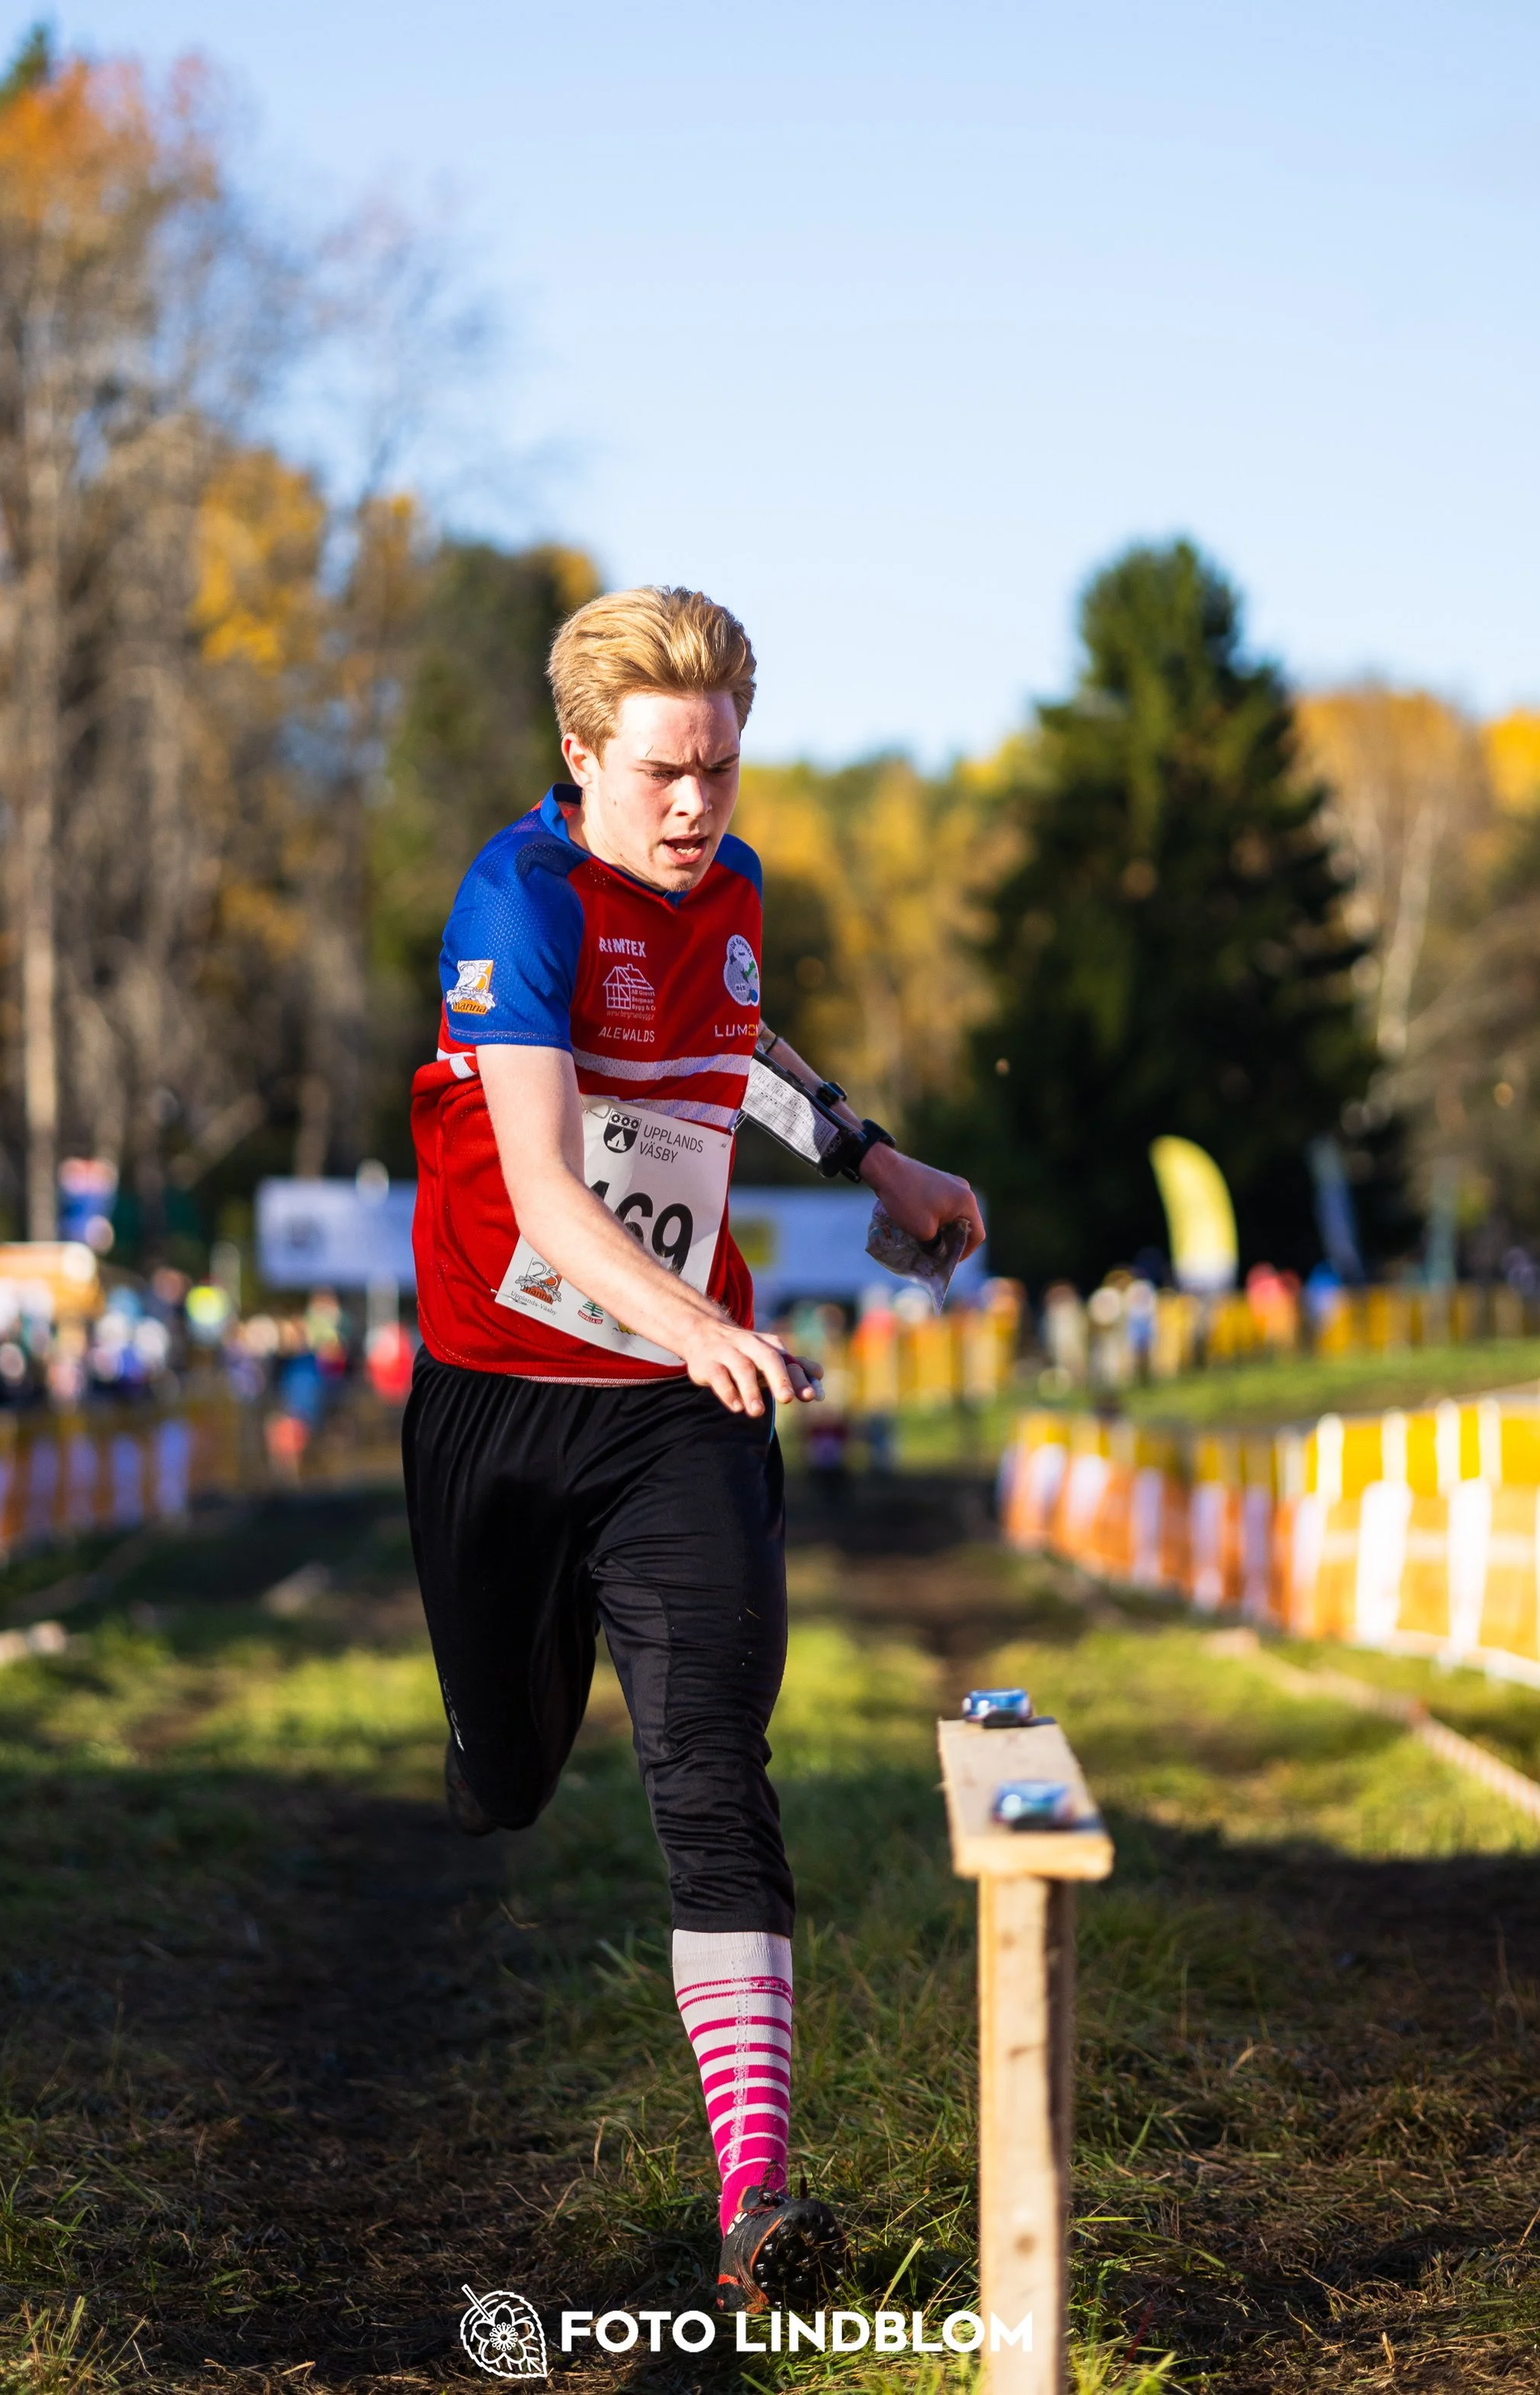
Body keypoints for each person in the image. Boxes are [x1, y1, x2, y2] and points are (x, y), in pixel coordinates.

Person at [403, 586, 983, 2312]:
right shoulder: (518, 899)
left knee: (714, 1767)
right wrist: (692, 1317)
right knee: (508, 1772)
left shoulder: (729, 888)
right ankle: (510, 1709)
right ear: (579, 756)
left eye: (719, 768)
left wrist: (875, 1157)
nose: (693, 806)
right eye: (661, 770)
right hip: (503, 1398)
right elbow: (545, 1193)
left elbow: (742, 1044)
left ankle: (758, 2194)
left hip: (675, 1410)